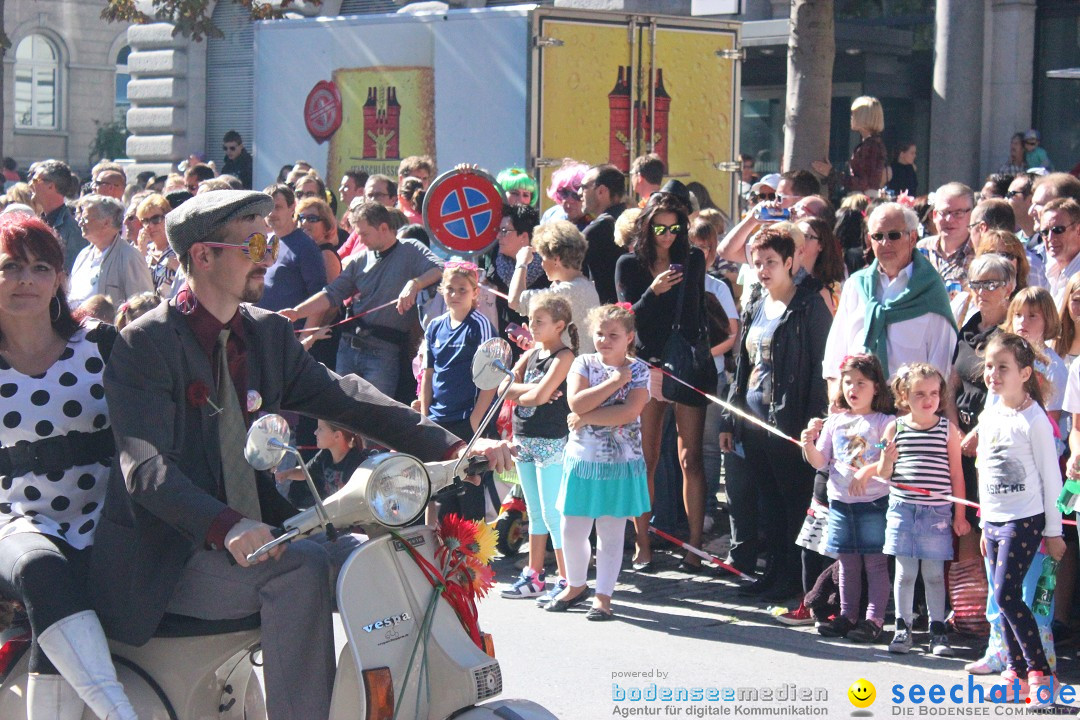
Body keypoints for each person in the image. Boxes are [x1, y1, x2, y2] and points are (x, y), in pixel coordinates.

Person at [93, 190, 511, 720]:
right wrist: (227, 525)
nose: (269, 254)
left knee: (375, 557)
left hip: (256, 536)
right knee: (300, 568)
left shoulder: (264, 332)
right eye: (255, 242)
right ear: (203, 255)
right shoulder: (144, 344)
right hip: (169, 559)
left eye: (271, 241)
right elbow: (147, 471)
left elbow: (346, 397)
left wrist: (455, 446)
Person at [0, 214, 138, 720]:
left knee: (57, 606)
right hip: (13, 523)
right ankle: (120, 714)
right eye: (11, 266)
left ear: (60, 279)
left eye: (40, 267)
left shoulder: (101, 345)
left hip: (106, 518)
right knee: (43, 568)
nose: (25, 280)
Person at [719, 226, 831, 596]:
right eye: (758, 262)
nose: (763, 269)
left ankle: (793, 580)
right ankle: (771, 574)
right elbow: (744, 365)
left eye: (771, 262)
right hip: (753, 420)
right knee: (766, 500)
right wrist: (730, 418)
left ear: (789, 262)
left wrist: (812, 426)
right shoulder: (755, 303)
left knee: (793, 502)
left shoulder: (809, 304)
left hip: (790, 423)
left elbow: (820, 369)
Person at [615, 195, 712, 573]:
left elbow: (694, 315)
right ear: (646, 227)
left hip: (685, 364)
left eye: (676, 228)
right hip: (647, 364)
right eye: (660, 228)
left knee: (691, 459)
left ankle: (694, 547)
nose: (668, 236)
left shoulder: (692, 260)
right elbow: (627, 316)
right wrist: (652, 292)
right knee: (647, 459)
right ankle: (643, 544)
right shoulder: (629, 264)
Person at [546, 303, 650, 620]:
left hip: (620, 462)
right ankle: (576, 585)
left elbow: (630, 412)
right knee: (572, 528)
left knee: (610, 530)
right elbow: (576, 400)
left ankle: (603, 595)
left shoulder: (640, 369)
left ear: (629, 337)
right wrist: (615, 382)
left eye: (613, 335)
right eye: (600, 334)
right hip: (582, 458)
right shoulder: (584, 362)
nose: (605, 340)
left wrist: (585, 417)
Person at [976, 333, 1064, 704]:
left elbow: (1051, 478)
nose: (993, 374)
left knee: (1007, 594)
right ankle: (1016, 672)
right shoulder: (990, 413)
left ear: (1025, 373)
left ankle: (1040, 672)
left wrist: (1054, 531)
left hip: (1024, 520)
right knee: (1003, 598)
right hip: (994, 520)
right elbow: (984, 469)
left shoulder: (1035, 420)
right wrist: (983, 524)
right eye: (989, 367)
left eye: (1003, 367)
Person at [283, 201, 442, 399]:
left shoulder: (410, 250)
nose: (360, 240)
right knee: (342, 413)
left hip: (383, 352)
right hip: (348, 347)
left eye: (364, 234)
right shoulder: (360, 260)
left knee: (375, 415)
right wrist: (297, 312)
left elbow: (440, 268)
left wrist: (415, 284)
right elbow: (331, 293)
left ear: (383, 228)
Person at [872, 364, 969, 655]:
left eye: (934, 393)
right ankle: (903, 629)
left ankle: (937, 631)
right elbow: (883, 472)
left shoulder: (947, 429)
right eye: (919, 394)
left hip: (936, 513)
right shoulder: (894, 428)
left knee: (934, 574)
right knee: (904, 573)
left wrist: (960, 516)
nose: (928, 400)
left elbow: (956, 474)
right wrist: (887, 459)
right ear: (904, 396)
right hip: (903, 510)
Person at [801, 354, 894, 642]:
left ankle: (874, 618)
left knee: (875, 563)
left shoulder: (884, 422)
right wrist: (808, 443)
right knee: (847, 562)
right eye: (848, 382)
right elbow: (820, 461)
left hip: (873, 503)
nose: (853, 389)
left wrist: (867, 471)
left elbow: (885, 458)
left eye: (861, 383)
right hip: (841, 503)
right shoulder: (835, 421)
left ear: (876, 387)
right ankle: (847, 614)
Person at [824, 202, 957, 382]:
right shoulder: (855, 286)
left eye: (894, 235)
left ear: (912, 238)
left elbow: (941, 368)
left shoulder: (931, 291)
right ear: (870, 240)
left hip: (909, 406)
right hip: (857, 404)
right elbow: (835, 356)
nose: (885, 243)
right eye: (878, 236)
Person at [500, 293, 577, 603]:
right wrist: (530, 391)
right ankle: (534, 575)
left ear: (559, 325)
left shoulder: (564, 357)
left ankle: (566, 578)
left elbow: (540, 396)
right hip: (524, 439)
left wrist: (525, 393)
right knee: (533, 512)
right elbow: (504, 386)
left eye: (539, 321)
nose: (531, 326)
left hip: (550, 441)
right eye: (531, 320)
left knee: (552, 512)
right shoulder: (531, 354)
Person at [420, 262, 497, 522]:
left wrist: (477, 419)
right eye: (450, 289)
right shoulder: (434, 327)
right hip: (439, 418)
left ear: (475, 292)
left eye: (462, 289)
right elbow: (428, 374)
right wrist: (424, 415)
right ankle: (443, 553)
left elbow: (492, 377)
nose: (455, 295)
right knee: (442, 493)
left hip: (466, 419)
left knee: (470, 490)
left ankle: (472, 557)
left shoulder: (480, 326)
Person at [509, 219, 599, 354]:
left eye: (542, 258)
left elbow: (515, 300)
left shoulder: (568, 291)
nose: (542, 264)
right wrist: (538, 342)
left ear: (556, 259)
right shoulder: (584, 287)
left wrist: (521, 263)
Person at [68, 195, 154, 309]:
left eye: (85, 219)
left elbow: (143, 305)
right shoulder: (83, 255)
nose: (80, 223)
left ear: (106, 222)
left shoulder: (129, 257)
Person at [256, 184, 327, 321]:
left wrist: (304, 340)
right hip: (260, 332)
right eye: (267, 208)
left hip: (288, 335)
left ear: (292, 207)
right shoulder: (267, 240)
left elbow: (319, 299)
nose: (271, 213)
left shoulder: (305, 246)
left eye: (277, 207)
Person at [274, 419, 372, 509]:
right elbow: (306, 472)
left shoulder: (356, 463)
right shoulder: (325, 454)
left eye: (320, 429)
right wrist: (285, 474)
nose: (315, 432)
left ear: (337, 436)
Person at [813, 96, 887, 196]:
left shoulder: (871, 146)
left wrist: (832, 173)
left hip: (863, 200)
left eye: (854, 114)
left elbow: (863, 183)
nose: (851, 117)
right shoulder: (870, 143)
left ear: (863, 116)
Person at [580, 164, 628, 304]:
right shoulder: (633, 219)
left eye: (584, 187)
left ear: (601, 191)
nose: (579, 193)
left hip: (607, 314)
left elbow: (569, 269)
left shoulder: (597, 230)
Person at [917, 183, 976, 293]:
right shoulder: (921, 250)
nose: (949, 219)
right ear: (934, 215)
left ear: (972, 215)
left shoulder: (980, 253)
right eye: (944, 213)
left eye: (958, 213)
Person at [28, 160, 84, 272]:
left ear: (51, 186)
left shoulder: (72, 229)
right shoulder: (38, 222)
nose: (30, 184)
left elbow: (70, 273)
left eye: (35, 180)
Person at [796, 216, 846, 315]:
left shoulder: (831, 289)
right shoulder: (782, 279)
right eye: (796, 235)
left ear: (821, 245)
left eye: (806, 236)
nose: (799, 240)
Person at [136, 193, 181, 299]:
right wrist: (141, 252)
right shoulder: (143, 252)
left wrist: (179, 268)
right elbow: (136, 285)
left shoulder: (179, 248)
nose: (150, 226)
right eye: (145, 221)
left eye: (155, 219)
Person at [1040, 198, 1080, 306]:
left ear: (1078, 230)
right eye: (1044, 232)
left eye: (1058, 230)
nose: (1050, 238)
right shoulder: (1049, 271)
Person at [541, 160, 590, 228]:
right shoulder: (551, 215)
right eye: (564, 192)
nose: (569, 200)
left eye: (576, 195)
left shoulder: (597, 224)